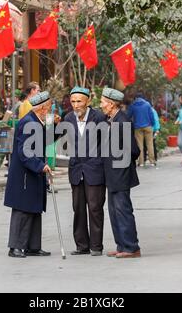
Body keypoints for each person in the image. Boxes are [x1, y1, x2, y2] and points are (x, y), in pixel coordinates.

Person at [4, 91, 55, 258]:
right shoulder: (28, 123)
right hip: (25, 174)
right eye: (48, 108)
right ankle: (16, 247)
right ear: (41, 109)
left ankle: (33, 246)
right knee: (22, 210)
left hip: (34, 172)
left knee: (35, 208)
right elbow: (25, 152)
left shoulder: (37, 121)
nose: (50, 111)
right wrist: (40, 166)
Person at [64, 86, 106, 256]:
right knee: (78, 208)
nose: (76, 105)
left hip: (95, 169)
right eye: (73, 101)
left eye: (79, 101)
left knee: (95, 208)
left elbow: (106, 144)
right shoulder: (68, 118)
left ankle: (96, 246)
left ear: (88, 101)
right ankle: (82, 245)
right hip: (76, 170)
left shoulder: (99, 118)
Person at [99, 87, 141, 259]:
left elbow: (133, 150)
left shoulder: (122, 121)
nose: (100, 105)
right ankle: (121, 245)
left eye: (102, 102)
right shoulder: (110, 120)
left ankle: (132, 247)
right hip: (111, 173)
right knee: (114, 211)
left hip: (120, 173)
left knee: (123, 210)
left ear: (111, 104)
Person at [127, 91, 156, 167]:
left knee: (140, 145)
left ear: (135, 98)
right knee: (150, 144)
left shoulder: (133, 105)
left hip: (137, 127)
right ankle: (152, 162)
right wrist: (152, 124)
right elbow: (151, 116)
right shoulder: (147, 104)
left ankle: (141, 162)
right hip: (148, 126)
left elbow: (128, 115)